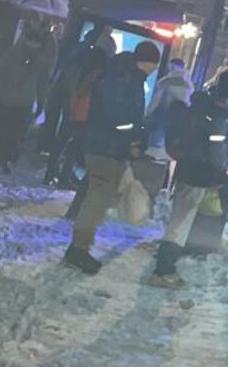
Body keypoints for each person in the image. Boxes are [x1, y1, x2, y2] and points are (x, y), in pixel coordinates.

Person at [62, 38, 161, 274]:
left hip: (106, 145)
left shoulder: (123, 74)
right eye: (154, 64)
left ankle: (80, 246)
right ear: (145, 61)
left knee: (99, 195)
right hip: (105, 147)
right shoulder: (124, 78)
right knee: (98, 197)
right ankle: (78, 249)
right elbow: (119, 117)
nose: (155, 68)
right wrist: (133, 139)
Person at [151, 69, 228, 284]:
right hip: (200, 171)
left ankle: (165, 261)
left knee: (179, 216)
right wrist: (221, 171)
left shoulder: (200, 104)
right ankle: (162, 271)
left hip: (186, 166)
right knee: (181, 222)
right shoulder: (219, 114)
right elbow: (216, 148)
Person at [44, 40, 109, 185]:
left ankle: (51, 174)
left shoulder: (76, 68)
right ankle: (64, 178)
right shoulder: (95, 75)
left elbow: (68, 90)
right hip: (82, 115)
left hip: (71, 111)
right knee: (72, 148)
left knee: (61, 143)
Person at [0, 34, 48, 171]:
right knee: (7, 134)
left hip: (19, 102)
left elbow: (42, 86)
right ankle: (0, 161)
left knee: (12, 134)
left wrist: (40, 103)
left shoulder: (37, 63)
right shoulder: (13, 57)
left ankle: (2, 161)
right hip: (12, 101)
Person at [144, 57, 193, 157]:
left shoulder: (166, 83)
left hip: (162, 117)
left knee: (153, 147)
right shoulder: (189, 86)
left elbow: (156, 101)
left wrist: (147, 113)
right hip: (177, 124)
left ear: (173, 66)